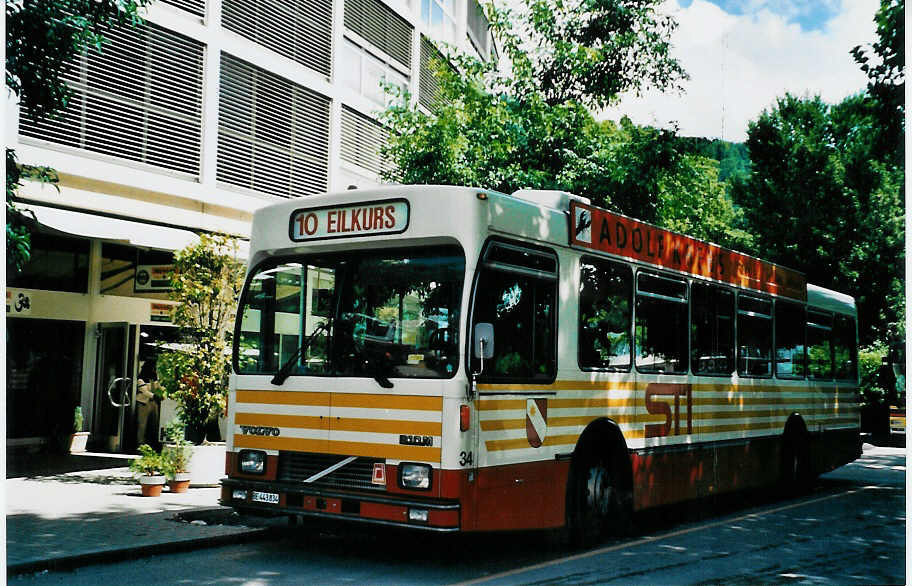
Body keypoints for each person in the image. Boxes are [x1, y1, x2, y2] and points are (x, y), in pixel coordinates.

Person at [135, 360, 161, 449]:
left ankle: (151, 443)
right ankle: (140, 444)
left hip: (153, 404)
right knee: (142, 424)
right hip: (143, 403)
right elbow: (144, 392)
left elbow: (159, 388)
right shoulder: (141, 380)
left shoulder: (154, 380)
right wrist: (155, 396)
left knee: (153, 423)